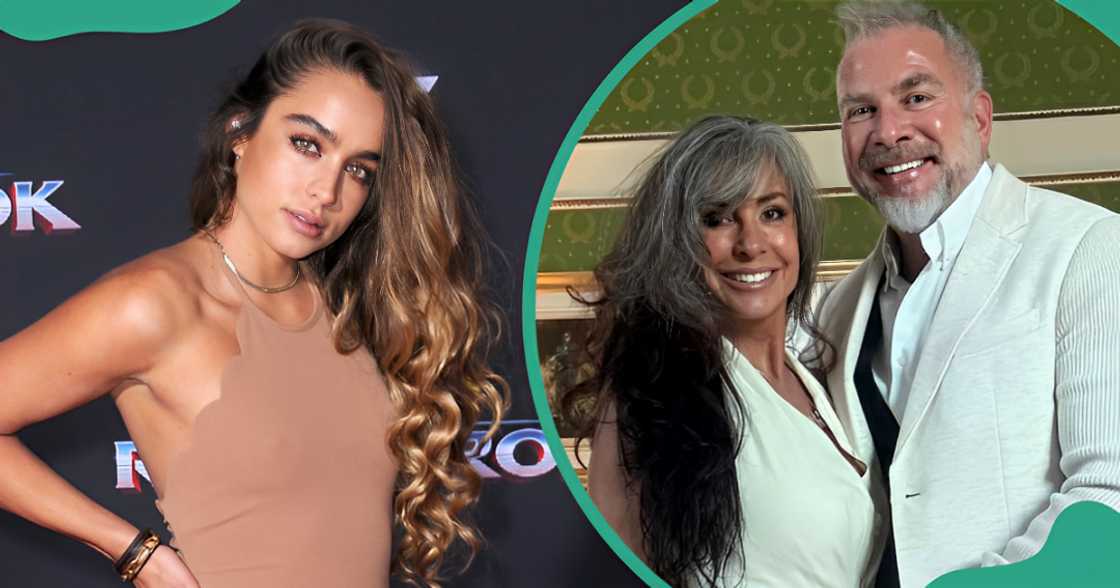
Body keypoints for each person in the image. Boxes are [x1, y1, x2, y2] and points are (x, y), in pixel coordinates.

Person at [0, 19, 506, 588]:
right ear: (241, 133)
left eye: (358, 170)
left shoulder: (344, 306)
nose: (326, 192)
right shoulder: (156, 302)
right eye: (307, 144)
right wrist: (135, 552)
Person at [814, 2, 1120, 586]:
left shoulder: (1091, 248)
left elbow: (1110, 496)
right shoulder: (836, 309)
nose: (889, 131)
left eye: (916, 97)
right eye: (861, 110)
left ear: (979, 118)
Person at [558, 115, 886, 587]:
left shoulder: (818, 379)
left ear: (800, 230)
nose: (750, 244)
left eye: (772, 213)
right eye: (716, 219)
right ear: (677, 243)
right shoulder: (650, 394)